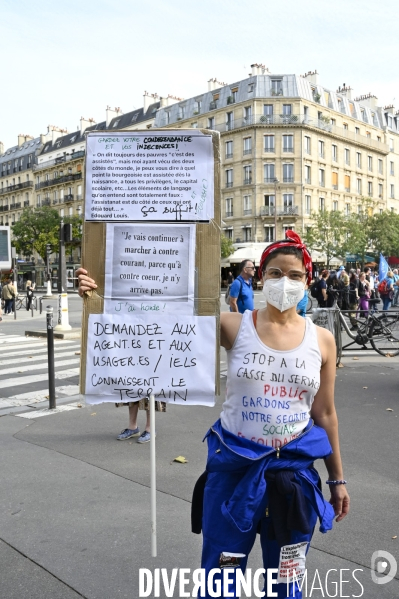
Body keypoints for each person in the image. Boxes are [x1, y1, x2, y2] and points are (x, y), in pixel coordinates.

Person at [192, 231, 349, 598]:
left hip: (292, 481)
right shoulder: (233, 325)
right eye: (276, 273)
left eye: (295, 276)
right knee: (221, 578)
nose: (284, 282)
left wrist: (336, 480)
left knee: (286, 581)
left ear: (307, 281)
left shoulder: (322, 340)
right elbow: (169, 317)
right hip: (234, 475)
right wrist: (99, 291)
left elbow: (325, 413)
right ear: (261, 276)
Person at [76, 267, 165, 444]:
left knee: (151, 387)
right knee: (130, 384)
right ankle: (133, 427)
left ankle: (149, 428)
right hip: (130, 334)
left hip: (153, 336)